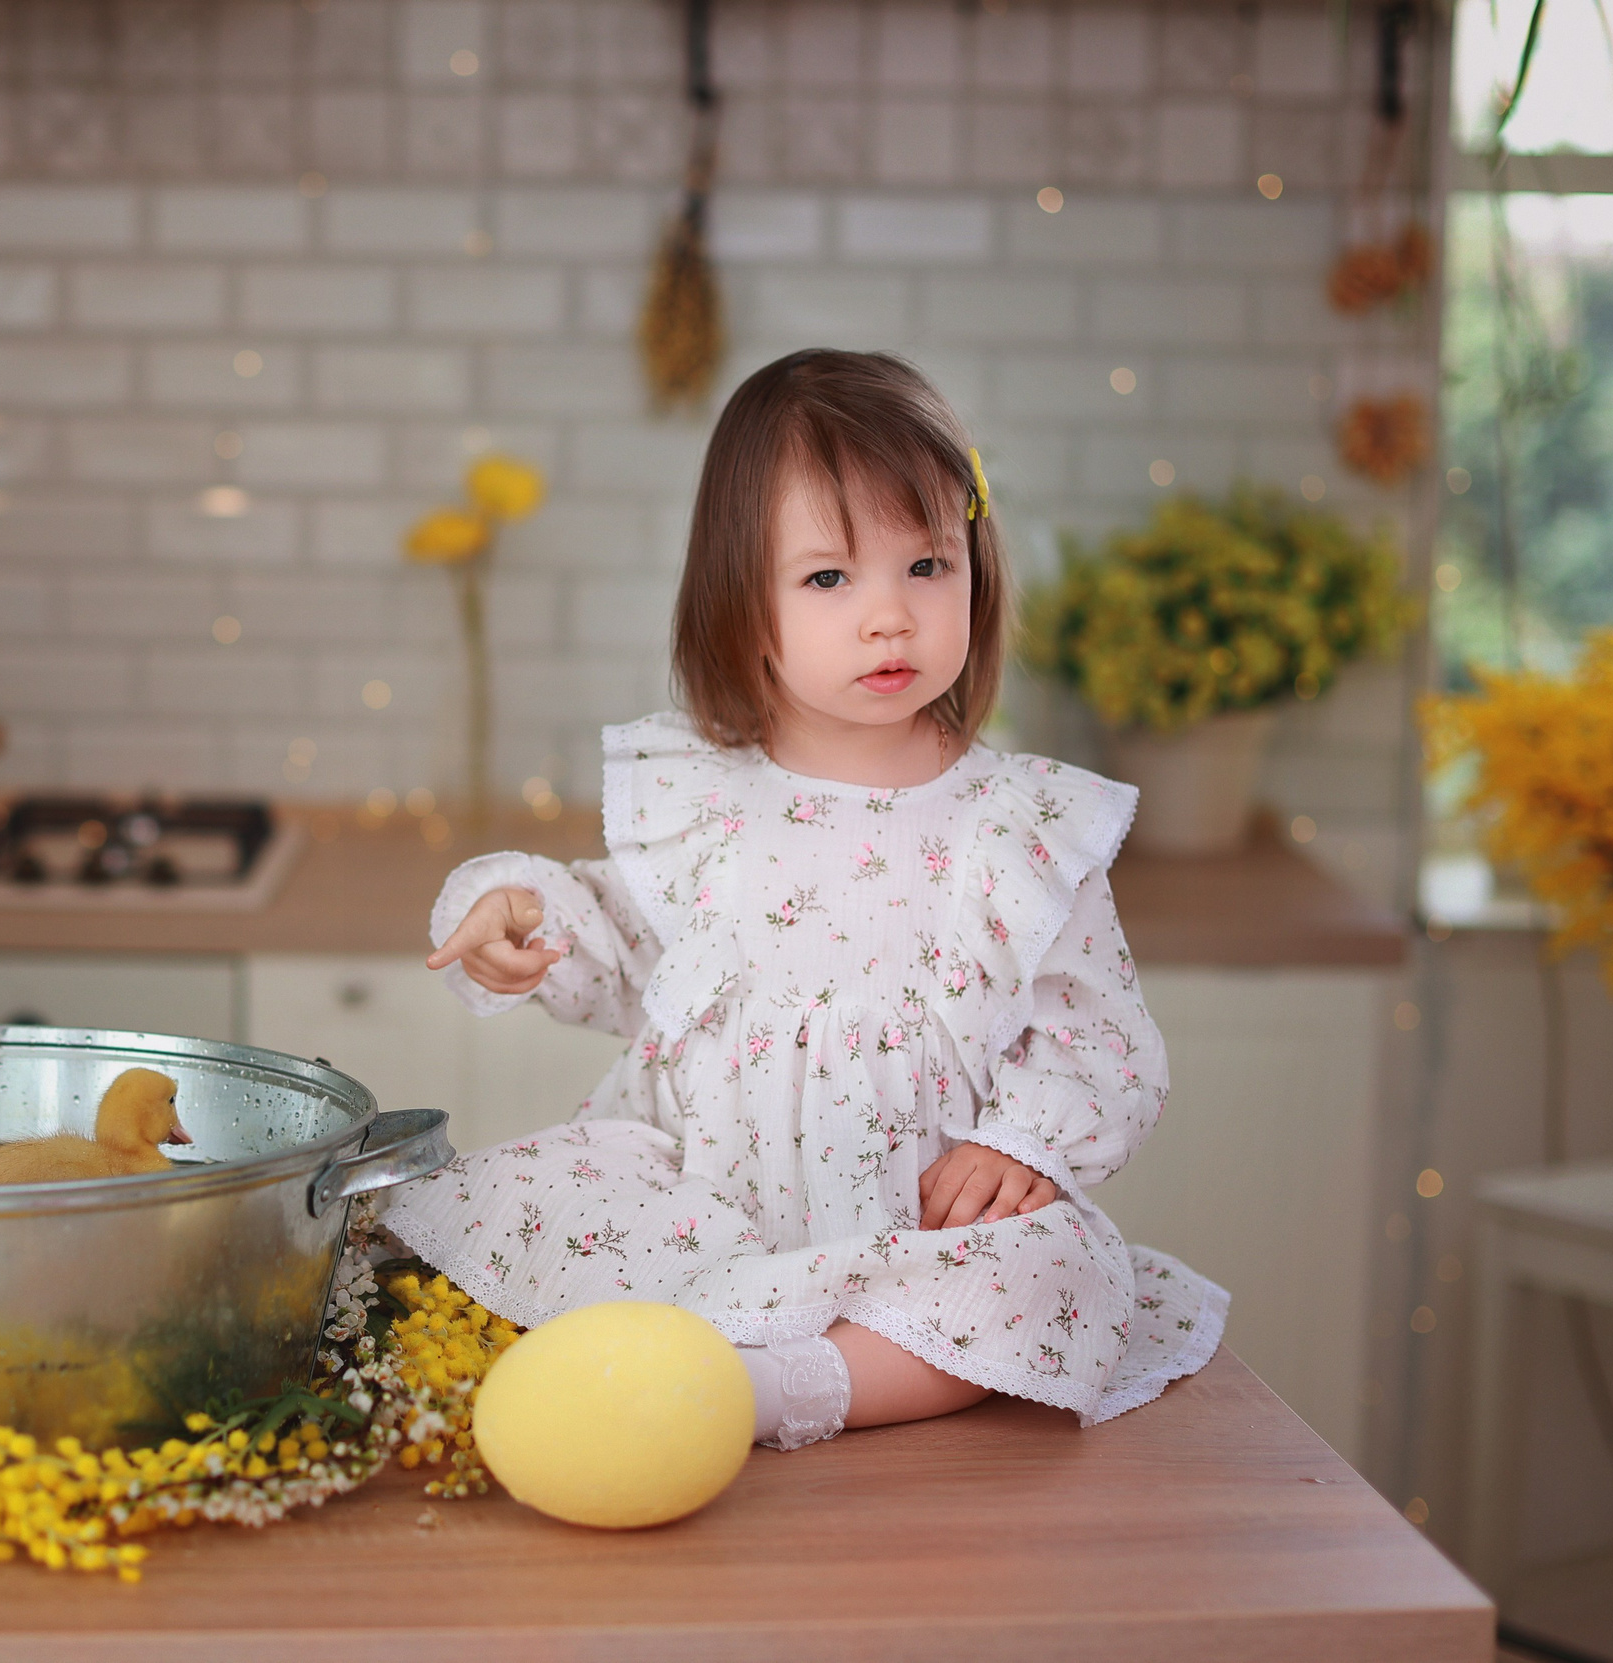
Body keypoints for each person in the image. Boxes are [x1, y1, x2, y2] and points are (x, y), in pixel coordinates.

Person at [385, 349, 1226, 1449]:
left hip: (915, 1228)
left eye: (926, 565)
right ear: (743, 603)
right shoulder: (707, 801)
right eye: (829, 578)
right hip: (711, 1199)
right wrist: (520, 913)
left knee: (1051, 1272)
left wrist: (1025, 1145)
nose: (890, 617)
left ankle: (767, 1389)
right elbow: (619, 941)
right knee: (543, 1196)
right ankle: (687, 1345)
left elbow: (1096, 1034)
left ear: (976, 570)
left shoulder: (1017, 826)